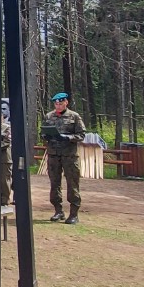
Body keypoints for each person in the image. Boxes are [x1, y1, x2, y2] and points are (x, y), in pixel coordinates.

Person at [42, 92, 86, 225]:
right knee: (54, 184)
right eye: (56, 104)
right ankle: (58, 211)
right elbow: (43, 132)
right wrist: (47, 137)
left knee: (72, 184)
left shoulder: (74, 116)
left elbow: (82, 135)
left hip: (69, 155)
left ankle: (74, 214)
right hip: (54, 155)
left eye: (60, 103)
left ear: (66, 102)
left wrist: (68, 137)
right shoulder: (49, 116)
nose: (58, 106)